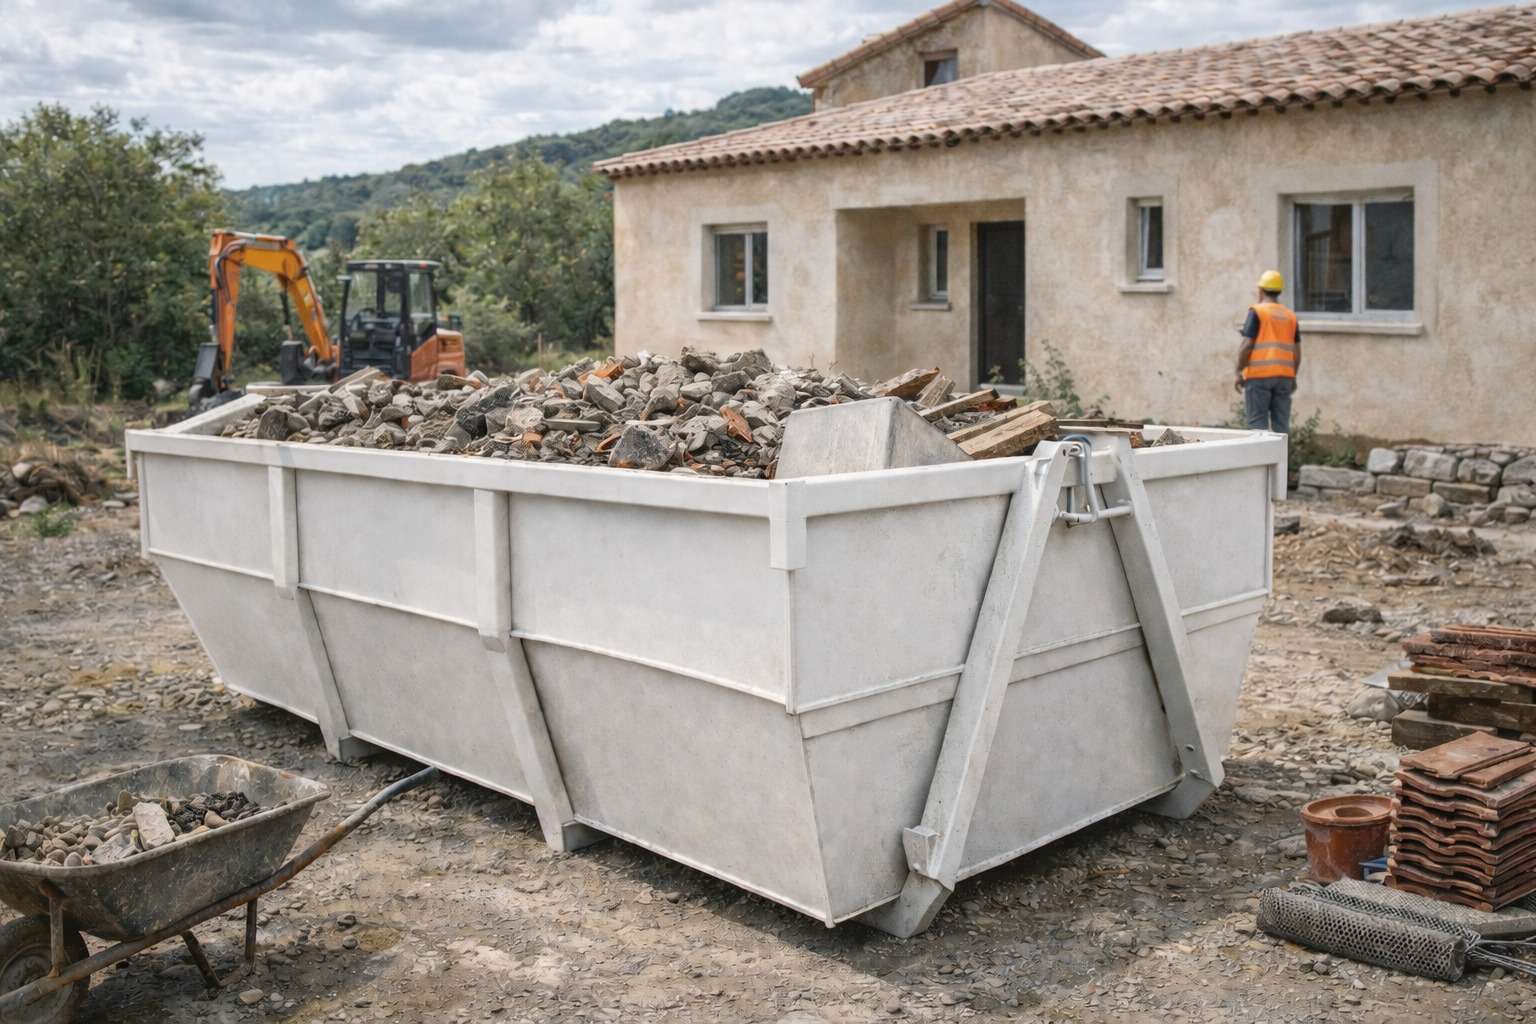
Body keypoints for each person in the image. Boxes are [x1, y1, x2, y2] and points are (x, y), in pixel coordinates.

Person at [1235, 270, 1301, 433]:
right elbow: (1297, 352)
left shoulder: (1258, 312)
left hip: (1259, 377)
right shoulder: (1290, 316)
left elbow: (1247, 345)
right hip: (1284, 377)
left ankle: (1260, 459)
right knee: (1281, 428)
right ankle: (1282, 459)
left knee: (1257, 425)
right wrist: (1292, 376)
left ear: (1261, 290)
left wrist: (1239, 371)